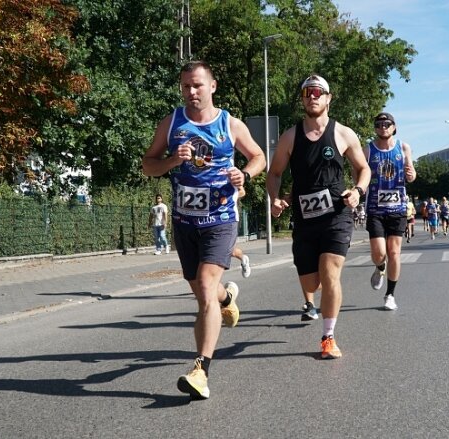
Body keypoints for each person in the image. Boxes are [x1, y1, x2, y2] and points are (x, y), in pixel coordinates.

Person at [142, 60, 265, 399]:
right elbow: (148, 164)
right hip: (184, 222)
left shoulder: (230, 124)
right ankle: (229, 297)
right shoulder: (171, 124)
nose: (191, 92)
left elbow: (258, 156)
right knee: (203, 292)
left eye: (197, 85)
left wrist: (246, 175)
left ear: (212, 86)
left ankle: (201, 370)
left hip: (221, 219)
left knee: (206, 289)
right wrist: (172, 161)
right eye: (185, 86)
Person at [266, 74, 371, 359]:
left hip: (336, 215)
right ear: (303, 99)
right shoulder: (291, 136)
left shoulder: (344, 133)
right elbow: (274, 173)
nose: (312, 96)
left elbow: (363, 169)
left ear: (328, 98)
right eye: (307, 93)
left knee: (330, 273)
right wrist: (274, 199)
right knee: (313, 284)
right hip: (304, 219)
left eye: (317, 92)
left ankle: (328, 337)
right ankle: (321, 294)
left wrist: (358, 191)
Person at [364, 112, 417, 310]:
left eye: (387, 124)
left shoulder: (403, 148)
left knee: (394, 252)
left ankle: (390, 295)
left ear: (394, 127)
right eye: (379, 124)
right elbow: (358, 172)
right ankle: (379, 267)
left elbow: (411, 176)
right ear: (375, 128)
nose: (383, 127)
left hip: (398, 207)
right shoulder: (367, 150)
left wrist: (412, 174)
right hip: (375, 208)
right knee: (379, 254)